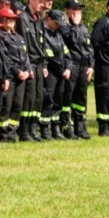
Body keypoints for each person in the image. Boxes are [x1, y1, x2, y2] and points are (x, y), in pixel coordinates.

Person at [17, 0, 50, 141]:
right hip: (29, 63)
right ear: (31, 0)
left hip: (39, 64)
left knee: (38, 97)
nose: (42, 3)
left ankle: (33, 129)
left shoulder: (39, 20)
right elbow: (23, 45)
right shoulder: (22, 18)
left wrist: (44, 65)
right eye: (39, 0)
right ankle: (23, 131)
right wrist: (27, 66)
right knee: (28, 98)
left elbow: (43, 45)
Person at [60, 0, 94, 140]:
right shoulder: (64, 25)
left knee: (81, 97)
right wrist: (74, 24)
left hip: (84, 65)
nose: (78, 11)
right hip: (71, 64)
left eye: (79, 9)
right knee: (68, 96)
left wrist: (91, 66)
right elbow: (71, 40)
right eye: (75, 9)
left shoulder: (83, 27)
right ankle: (66, 126)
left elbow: (89, 48)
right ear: (67, 10)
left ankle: (80, 126)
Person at [0, 8, 31, 142]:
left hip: (22, 77)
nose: (11, 21)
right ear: (2, 20)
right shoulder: (1, 37)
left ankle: (12, 132)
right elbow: (6, 58)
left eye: (13, 19)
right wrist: (17, 71)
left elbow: (25, 56)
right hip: (10, 76)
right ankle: (2, 134)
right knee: (7, 105)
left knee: (17, 106)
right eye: (8, 19)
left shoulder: (19, 37)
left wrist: (27, 70)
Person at [91, 0, 109, 136]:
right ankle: (104, 127)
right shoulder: (103, 23)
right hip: (106, 66)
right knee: (106, 96)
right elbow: (95, 44)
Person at [41, 9, 72, 140]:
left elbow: (67, 54)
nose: (59, 26)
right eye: (57, 23)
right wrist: (62, 70)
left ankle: (56, 128)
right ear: (49, 20)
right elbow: (49, 56)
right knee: (48, 100)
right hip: (51, 73)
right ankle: (44, 130)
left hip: (62, 74)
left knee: (58, 101)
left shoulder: (58, 35)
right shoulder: (43, 35)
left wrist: (68, 68)